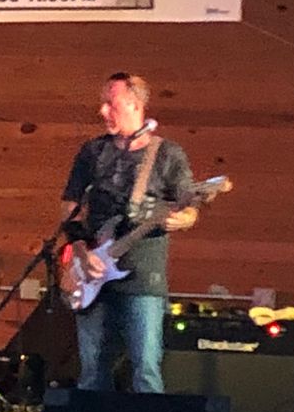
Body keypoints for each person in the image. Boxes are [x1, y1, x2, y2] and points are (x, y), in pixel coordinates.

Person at [59, 72, 197, 394]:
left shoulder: (167, 154)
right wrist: (80, 252)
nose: (103, 111)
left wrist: (183, 219)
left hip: (143, 276)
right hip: (92, 272)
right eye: (102, 104)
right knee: (92, 370)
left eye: (111, 104)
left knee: (145, 369)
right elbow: (70, 205)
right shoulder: (93, 152)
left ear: (135, 105)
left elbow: (189, 206)